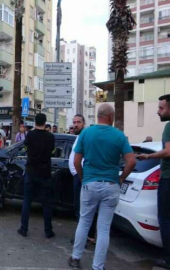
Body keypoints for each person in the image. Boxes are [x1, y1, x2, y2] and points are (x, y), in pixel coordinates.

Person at [68, 104, 136, 270]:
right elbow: (132, 161)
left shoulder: (86, 133)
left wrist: (84, 179)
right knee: (103, 228)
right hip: (111, 185)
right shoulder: (119, 136)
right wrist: (121, 178)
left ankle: (76, 258)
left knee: (84, 222)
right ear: (111, 117)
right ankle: (98, 266)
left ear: (98, 116)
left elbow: (76, 161)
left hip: (90, 183)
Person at [137, 94, 170, 269]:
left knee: (165, 219)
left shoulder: (169, 126)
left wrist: (148, 156)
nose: (158, 111)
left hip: (168, 178)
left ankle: (168, 259)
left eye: (161, 108)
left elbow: (168, 151)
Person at [18, 113, 56, 239]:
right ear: (45, 122)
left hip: (31, 171)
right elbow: (52, 150)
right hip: (45, 173)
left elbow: (25, 147)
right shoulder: (50, 136)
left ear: (35, 122)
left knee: (27, 201)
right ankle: (48, 231)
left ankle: (24, 229)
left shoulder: (30, 135)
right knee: (46, 203)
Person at [69, 114, 97, 245]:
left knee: (81, 209)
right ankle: (89, 235)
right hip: (79, 176)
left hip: (82, 176)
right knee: (82, 208)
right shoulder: (79, 136)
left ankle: (82, 239)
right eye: (74, 122)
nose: (75, 125)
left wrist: (81, 177)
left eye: (78, 122)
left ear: (83, 123)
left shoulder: (85, 135)